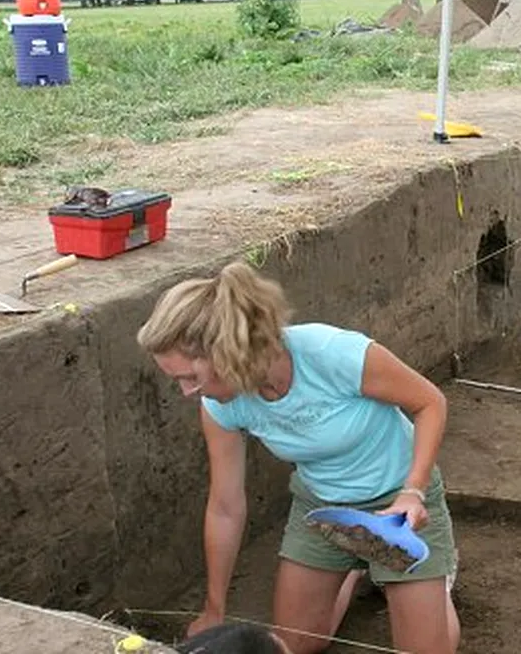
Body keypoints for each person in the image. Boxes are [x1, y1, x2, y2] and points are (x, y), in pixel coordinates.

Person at [136, 261, 460, 654]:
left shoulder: (331, 353)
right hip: (322, 504)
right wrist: (214, 610)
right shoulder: (219, 404)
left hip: (397, 504)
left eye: (190, 377)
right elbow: (225, 506)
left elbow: (430, 403)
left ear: (228, 354)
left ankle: (433, 579)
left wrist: (413, 491)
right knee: (292, 646)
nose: (188, 392)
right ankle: (356, 567)